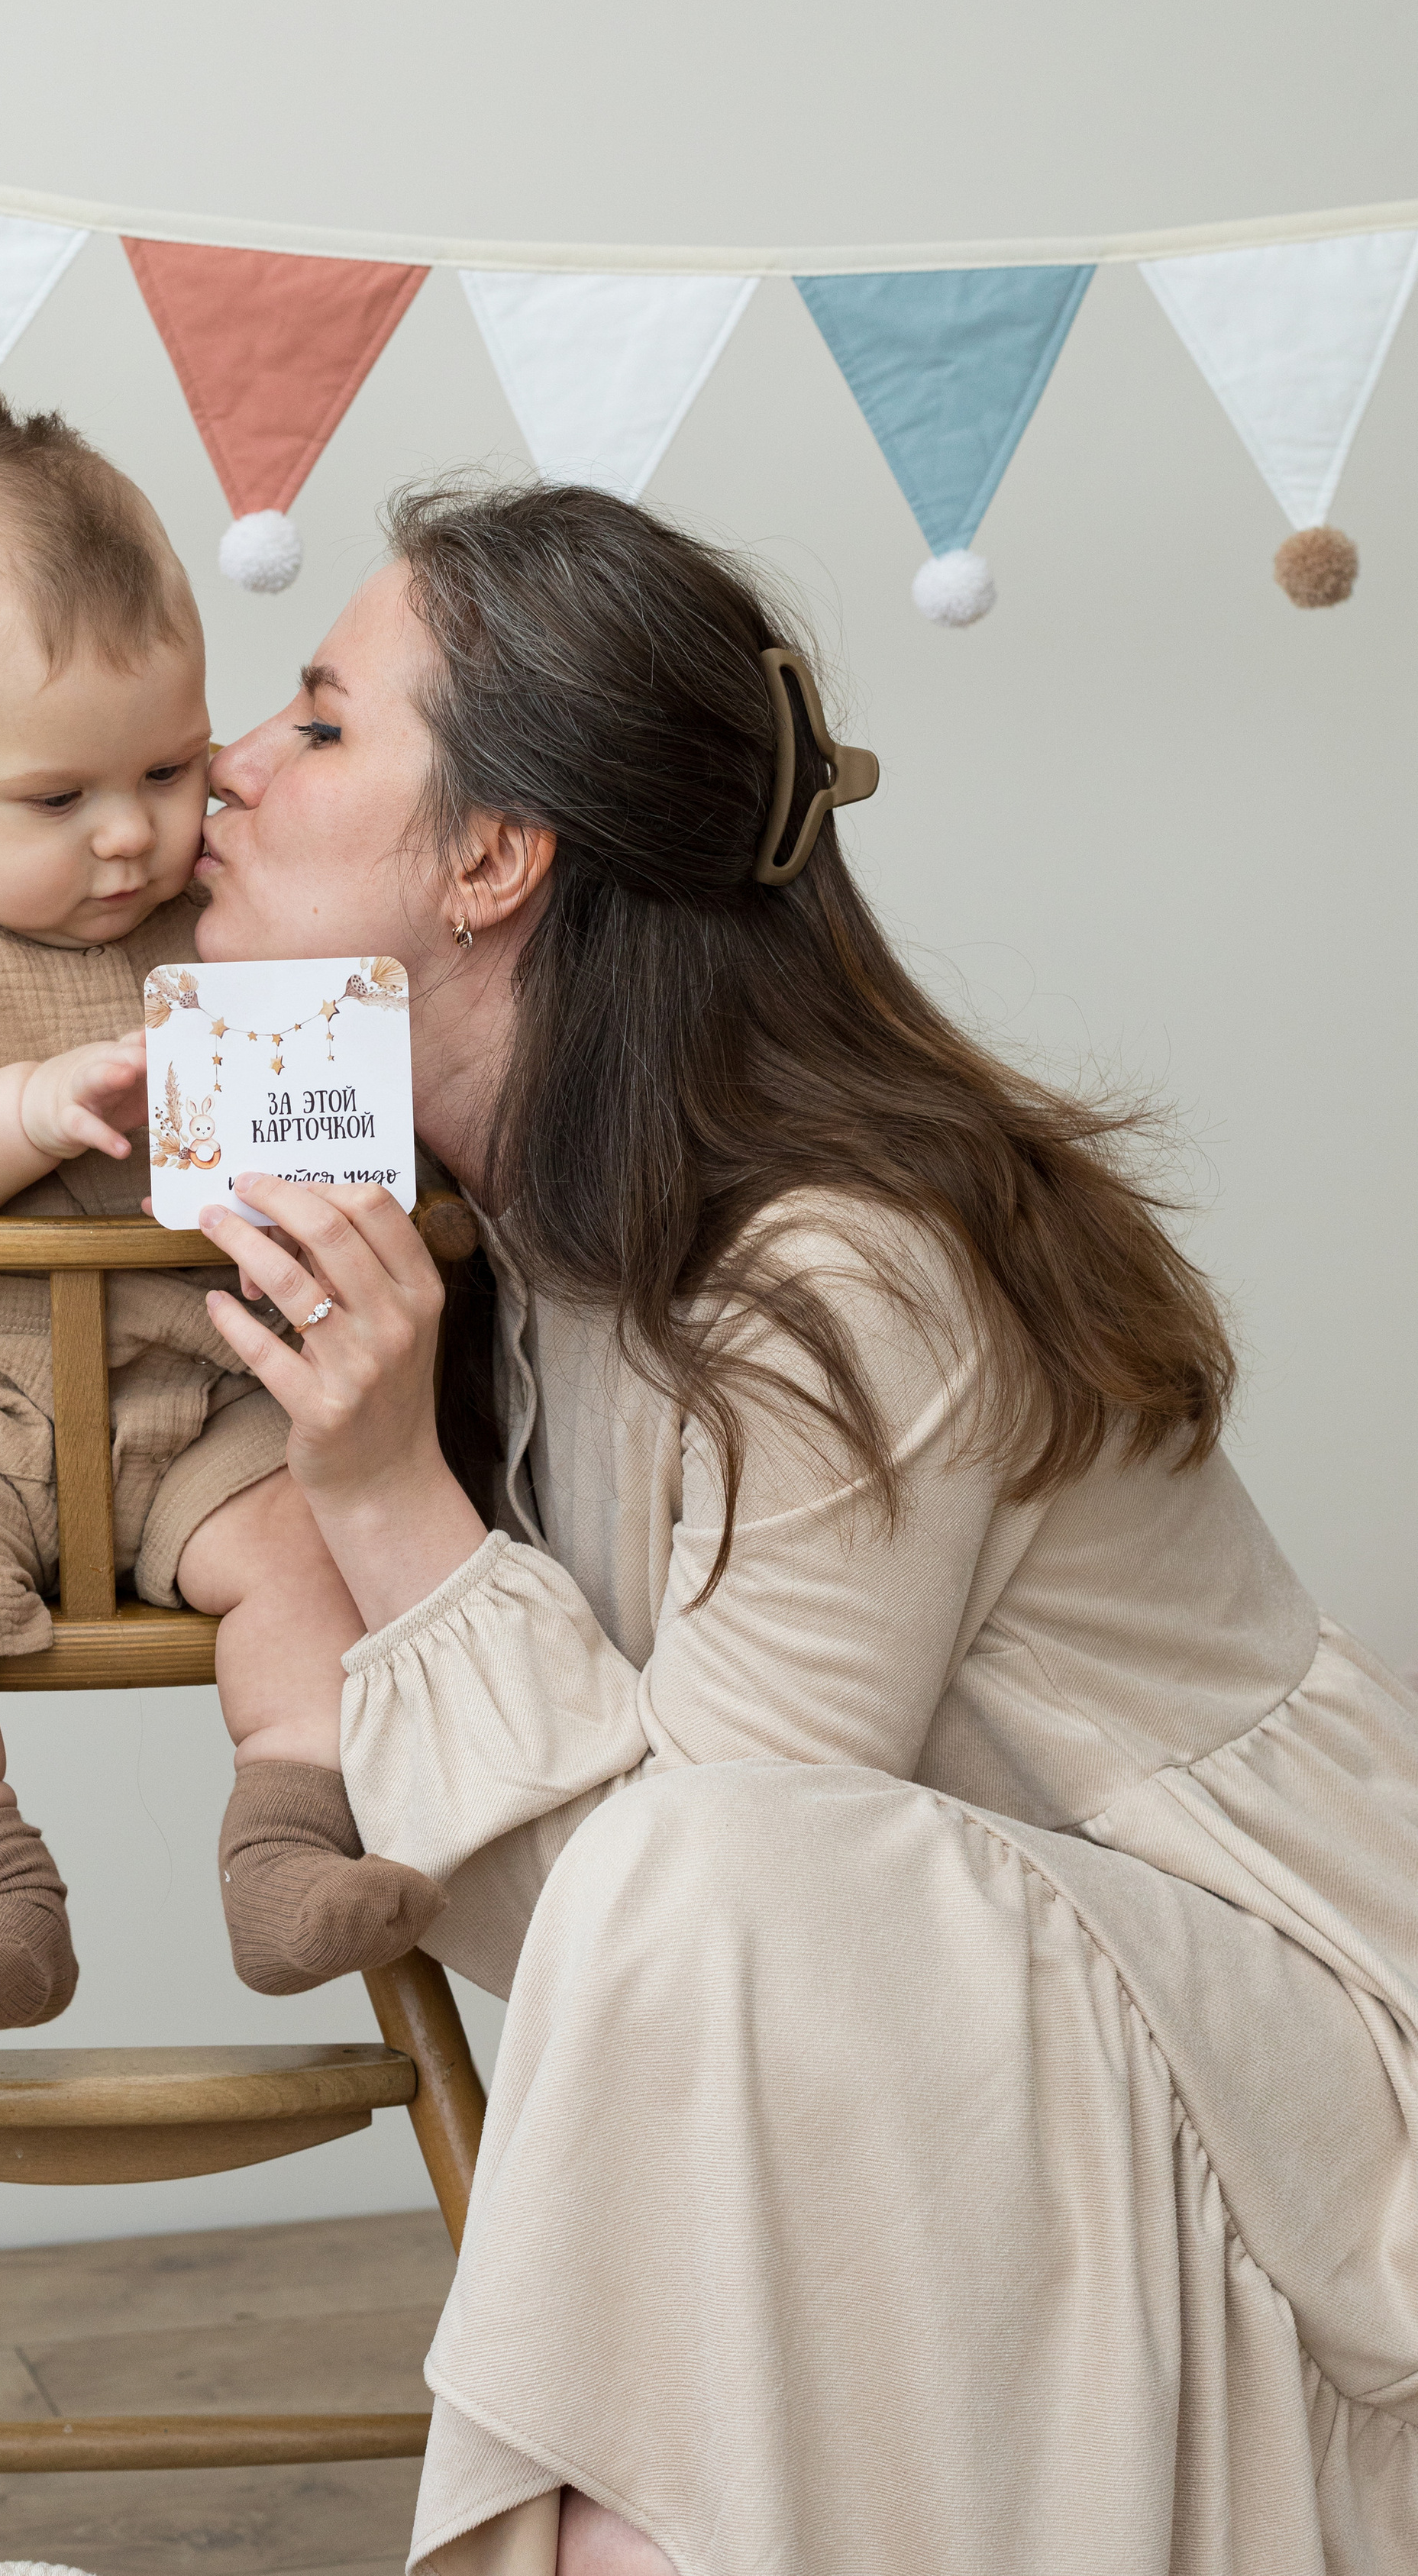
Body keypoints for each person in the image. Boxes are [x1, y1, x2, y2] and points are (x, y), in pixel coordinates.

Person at [186, 477, 1418, 2576]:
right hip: (949, 2080)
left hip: (1294, 2122)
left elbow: (693, 1933)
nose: (226, 762)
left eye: (315, 725)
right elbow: (641, 1985)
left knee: (702, 1866)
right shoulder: (533, 1249)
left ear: (491, 858)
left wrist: (387, 1500)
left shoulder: (841, 1272)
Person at [0, 398, 441, 2036]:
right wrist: (17, 1114)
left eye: (170, 769)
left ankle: (287, 1844)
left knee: (321, 1548)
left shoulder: (231, 907)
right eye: (55, 800)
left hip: (201, 1394)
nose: (132, 836)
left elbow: (358, 1078)